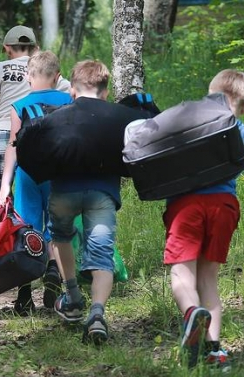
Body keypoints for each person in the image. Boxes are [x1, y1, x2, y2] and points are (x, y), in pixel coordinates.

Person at [163, 69, 244, 368]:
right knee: (209, 278)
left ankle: (190, 314)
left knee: (182, 274)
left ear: (208, 94)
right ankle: (215, 350)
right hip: (224, 206)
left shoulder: (186, 122)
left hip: (186, 205)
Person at [47, 60, 146, 344]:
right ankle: (97, 313)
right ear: (106, 92)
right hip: (103, 194)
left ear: (72, 91)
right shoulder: (120, 116)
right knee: (102, 253)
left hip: (64, 191)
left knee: (61, 237)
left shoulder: (60, 114)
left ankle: (72, 297)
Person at [0, 50, 70, 315]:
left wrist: (5, 185)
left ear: (28, 76)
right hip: (58, 174)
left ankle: (24, 295)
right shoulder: (68, 100)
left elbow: (12, 146)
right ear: (57, 77)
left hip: (27, 175)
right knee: (57, 229)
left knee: (27, 230)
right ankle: (54, 271)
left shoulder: (19, 106)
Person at [0, 25, 68, 191]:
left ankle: (1, 216)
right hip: (31, 131)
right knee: (30, 185)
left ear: (6, 48)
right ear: (36, 48)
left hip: (2, 130)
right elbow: (70, 88)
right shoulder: (41, 68)